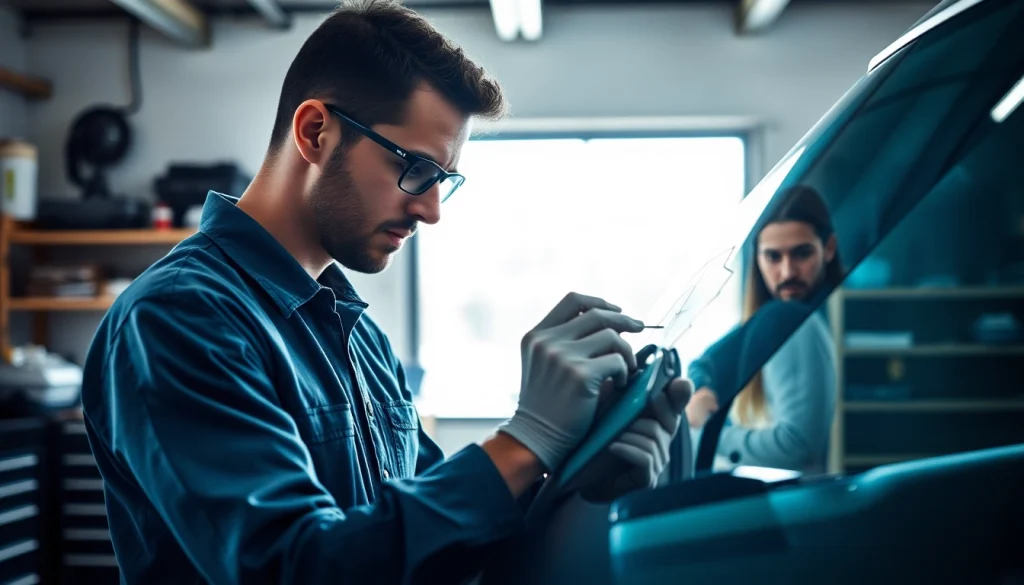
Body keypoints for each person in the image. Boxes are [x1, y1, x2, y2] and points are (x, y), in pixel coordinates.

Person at [78, 2, 692, 584]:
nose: (430, 211)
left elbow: (433, 551)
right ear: (316, 132)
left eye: (442, 181)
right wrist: (525, 440)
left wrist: (577, 480)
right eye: (416, 168)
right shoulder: (177, 317)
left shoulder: (357, 333)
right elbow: (294, 568)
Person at [685, 185, 841, 474]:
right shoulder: (774, 320)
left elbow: (794, 448)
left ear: (828, 248)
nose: (787, 272)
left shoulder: (788, 316)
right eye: (773, 257)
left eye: (802, 254)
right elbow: (705, 363)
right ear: (756, 257)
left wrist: (707, 433)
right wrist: (701, 388)